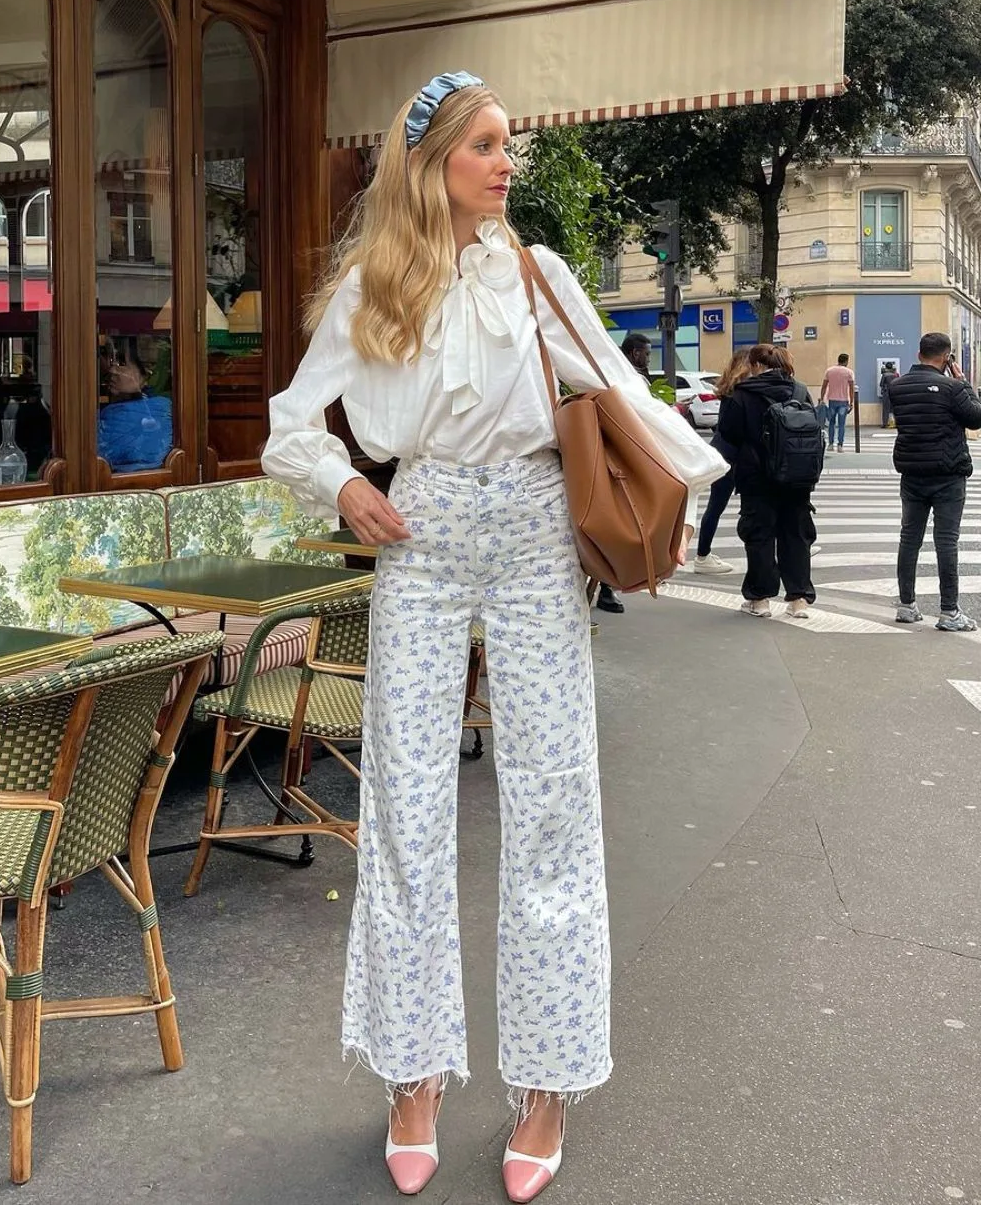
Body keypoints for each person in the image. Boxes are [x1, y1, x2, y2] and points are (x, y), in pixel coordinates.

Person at [261, 72, 726, 1202]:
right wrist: (341, 487)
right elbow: (287, 425)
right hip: (419, 530)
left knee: (554, 799)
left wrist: (698, 485)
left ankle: (548, 1082)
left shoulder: (536, 274)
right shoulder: (373, 285)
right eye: (485, 145)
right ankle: (412, 1076)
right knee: (406, 804)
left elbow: (614, 388)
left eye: (509, 145)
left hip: (529, 531)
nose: (506, 162)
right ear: (431, 164)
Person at [716, 343, 820, 619]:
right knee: (796, 536)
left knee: (759, 535)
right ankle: (799, 599)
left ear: (755, 366)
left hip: (757, 477)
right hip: (796, 476)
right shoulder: (799, 390)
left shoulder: (743, 394)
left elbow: (728, 433)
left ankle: (760, 599)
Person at [888, 331, 981, 631]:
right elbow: (976, 418)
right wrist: (964, 382)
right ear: (946, 357)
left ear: (919, 355)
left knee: (909, 539)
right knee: (946, 542)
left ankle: (906, 605)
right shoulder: (953, 388)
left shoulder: (897, 386)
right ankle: (949, 612)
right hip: (947, 475)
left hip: (912, 474)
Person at [596, 333, 653, 614]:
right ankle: (606, 586)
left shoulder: (627, 375)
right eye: (646, 353)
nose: (648, 359)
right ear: (633, 353)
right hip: (618, 458)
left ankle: (606, 586)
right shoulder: (624, 378)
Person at [693, 347, 752, 575]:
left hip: (722, 451)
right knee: (725, 505)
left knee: (716, 506)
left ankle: (703, 554)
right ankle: (702, 556)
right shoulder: (742, 390)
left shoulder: (729, 388)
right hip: (733, 455)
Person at [97, 354, 172, 472]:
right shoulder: (164, 406)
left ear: (145, 374)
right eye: (112, 362)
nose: (112, 370)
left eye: (122, 364)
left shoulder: (159, 411)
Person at [819, 353, 854, 452]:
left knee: (831, 423)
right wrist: (851, 402)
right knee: (842, 424)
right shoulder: (849, 372)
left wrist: (822, 398)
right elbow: (851, 388)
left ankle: (830, 444)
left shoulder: (829, 371)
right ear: (846, 361)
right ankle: (840, 445)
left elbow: (824, 386)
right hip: (843, 401)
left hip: (832, 400)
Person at [879, 361, 898, 428]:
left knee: (885, 409)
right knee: (894, 409)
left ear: (886, 367)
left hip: (886, 392)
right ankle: (896, 423)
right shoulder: (895, 374)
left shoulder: (885, 375)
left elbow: (881, 384)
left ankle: (885, 423)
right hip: (894, 392)